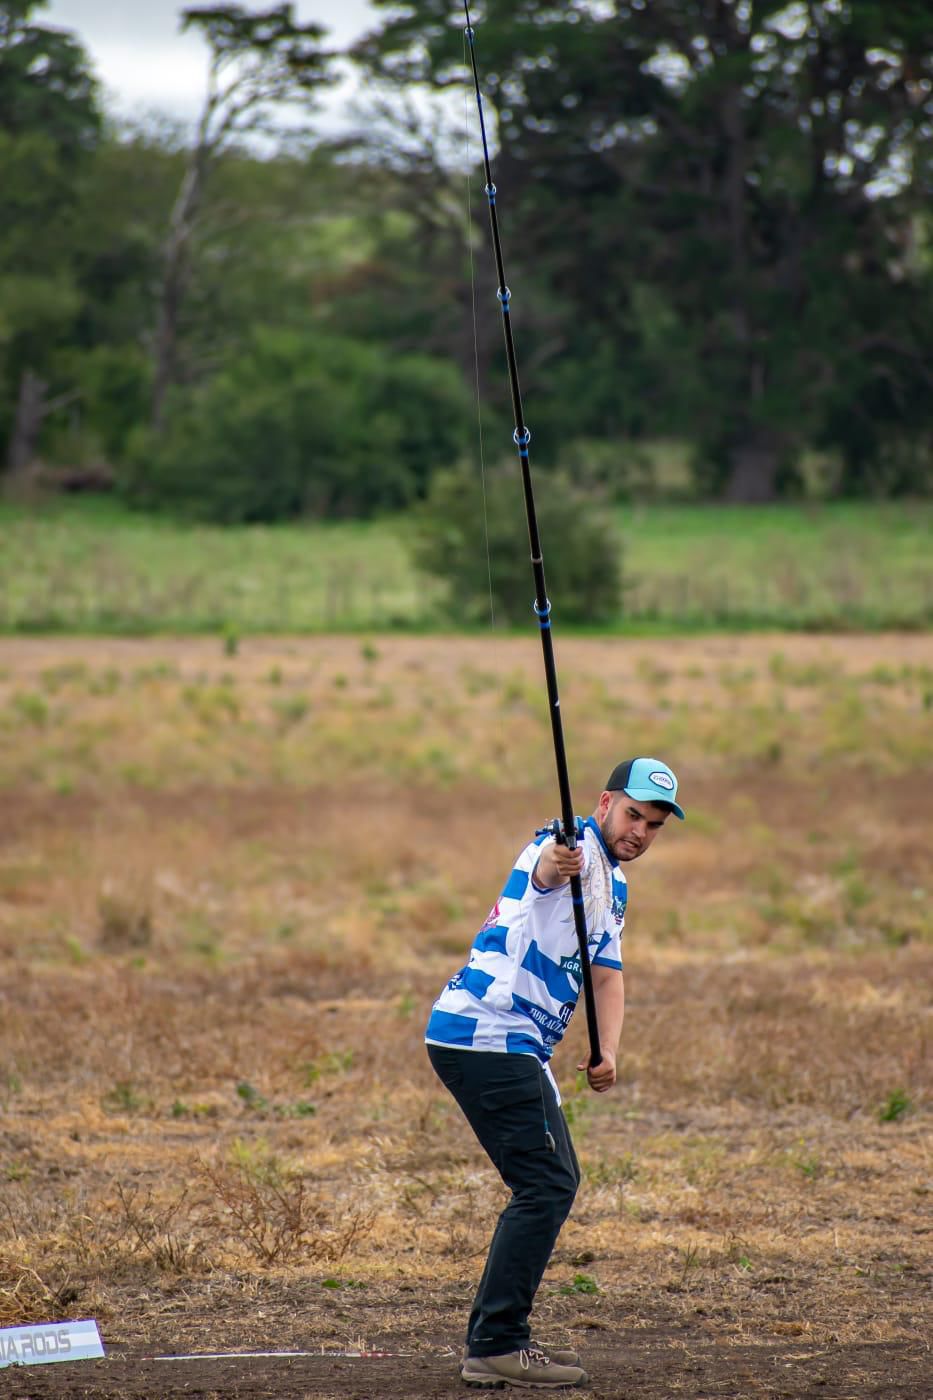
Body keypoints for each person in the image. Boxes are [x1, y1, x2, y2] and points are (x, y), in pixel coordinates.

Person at [426, 757, 685, 1391]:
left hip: (513, 1046)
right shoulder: (564, 845)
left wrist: (609, 1049)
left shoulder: (614, 884)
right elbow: (544, 870)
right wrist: (556, 861)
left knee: (553, 1181)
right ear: (604, 803)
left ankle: (496, 1340)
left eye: (653, 825)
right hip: (488, 1035)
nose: (640, 832)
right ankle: (496, 1344)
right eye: (632, 815)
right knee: (546, 1184)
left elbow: (607, 975)